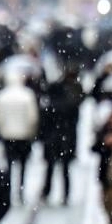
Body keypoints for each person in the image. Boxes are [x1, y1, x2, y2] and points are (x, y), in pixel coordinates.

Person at [0, 71, 40, 202]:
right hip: (23, 135)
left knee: (9, 164)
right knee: (23, 164)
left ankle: (8, 191)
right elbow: (32, 117)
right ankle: (20, 189)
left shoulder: (1, 96)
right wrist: (31, 132)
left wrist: (1, 131)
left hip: (7, 135)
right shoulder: (27, 95)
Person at [38, 75, 82, 206]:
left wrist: (43, 139)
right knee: (65, 170)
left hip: (52, 141)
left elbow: (43, 126)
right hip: (65, 141)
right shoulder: (70, 106)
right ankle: (66, 194)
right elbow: (75, 125)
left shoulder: (49, 106)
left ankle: (47, 192)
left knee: (50, 168)